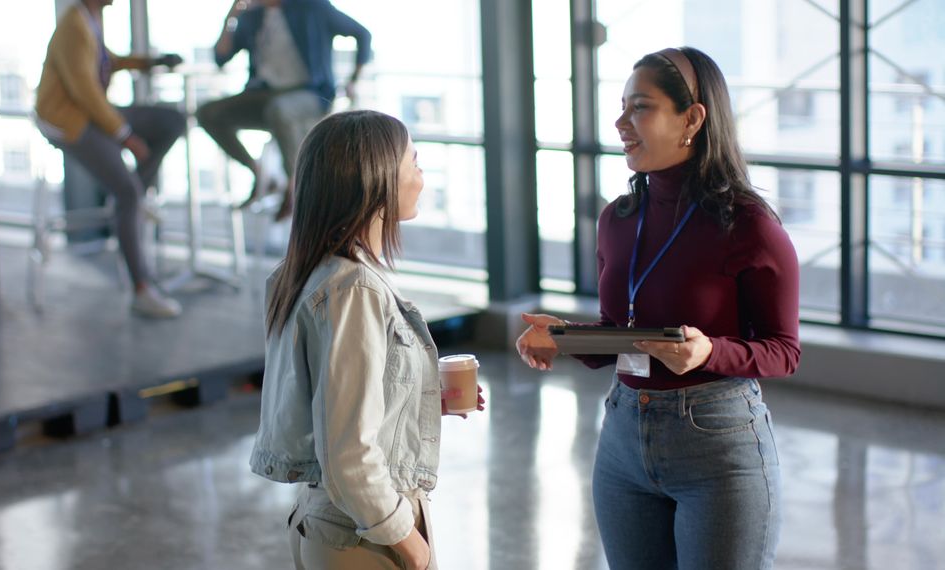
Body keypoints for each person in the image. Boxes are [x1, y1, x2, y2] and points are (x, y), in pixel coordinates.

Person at [516, 47, 800, 569]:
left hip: (717, 445)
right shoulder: (618, 219)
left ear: (692, 118)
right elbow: (617, 336)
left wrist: (710, 351)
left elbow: (783, 351)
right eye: (622, 107)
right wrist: (565, 336)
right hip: (623, 440)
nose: (621, 123)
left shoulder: (750, 225)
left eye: (640, 108)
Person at [250, 110, 484, 570]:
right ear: (376, 181)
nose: (421, 176)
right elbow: (349, 454)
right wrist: (408, 540)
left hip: (329, 524)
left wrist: (418, 394)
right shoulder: (354, 289)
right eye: (413, 163)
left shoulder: (311, 274)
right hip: (361, 535)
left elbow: (327, 401)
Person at [34, 0, 186, 318]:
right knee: (126, 192)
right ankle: (141, 289)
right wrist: (125, 135)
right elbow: (85, 91)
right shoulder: (73, 26)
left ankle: (132, 199)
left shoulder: (90, 18)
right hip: (69, 121)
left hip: (89, 113)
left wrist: (148, 62)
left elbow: (107, 61)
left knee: (172, 121)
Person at [196, 0, 371, 221]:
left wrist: (354, 79)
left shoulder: (312, 7)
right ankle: (261, 174)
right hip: (263, 95)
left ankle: (296, 186)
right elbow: (221, 57)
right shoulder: (253, 16)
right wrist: (231, 17)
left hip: (311, 93)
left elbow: (363, 34)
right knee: (207, 113)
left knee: (279, 110)